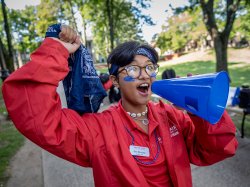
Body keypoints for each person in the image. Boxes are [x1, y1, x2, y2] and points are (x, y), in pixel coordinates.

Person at [2, 25, 238, 187]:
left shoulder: (172, 117)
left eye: (150, 67)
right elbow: (37, 117)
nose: (144, 75)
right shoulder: (98, 129)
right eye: (133, 69)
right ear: (114, 81)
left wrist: (203, 111)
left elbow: (215, 149)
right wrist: (56, 51)